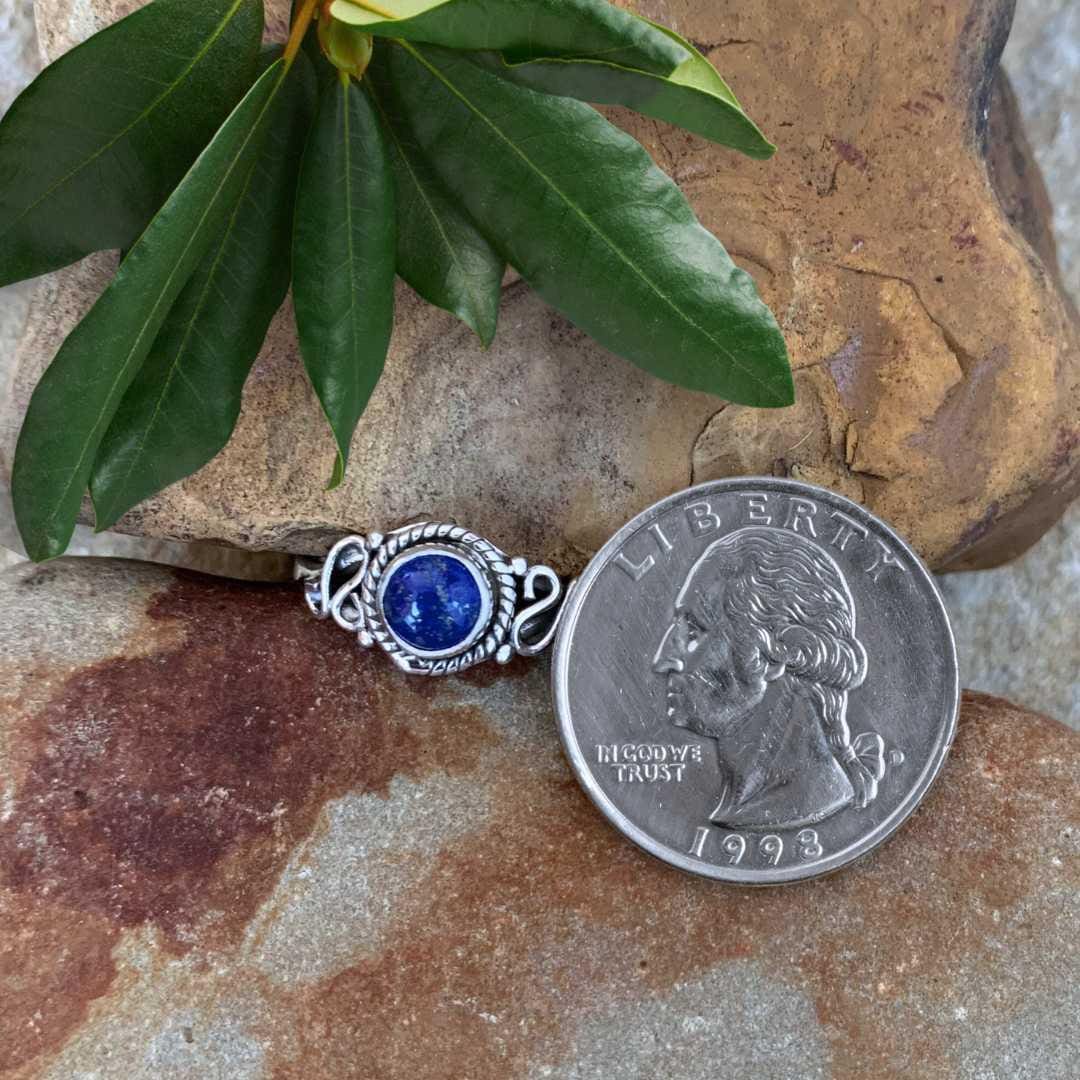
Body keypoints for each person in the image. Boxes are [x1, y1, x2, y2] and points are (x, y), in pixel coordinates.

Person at [652, 526, 886, 830]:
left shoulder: (799, 800)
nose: (662, 660)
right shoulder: (739, 802)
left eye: (694, 632)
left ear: (777, 654)